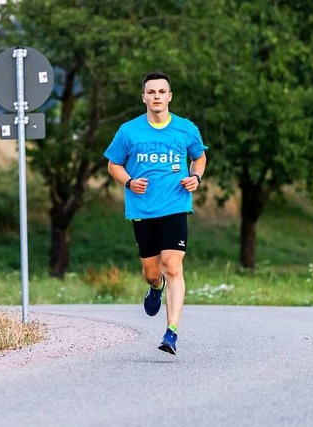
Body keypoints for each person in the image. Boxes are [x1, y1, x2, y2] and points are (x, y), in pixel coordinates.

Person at [104, 71, 207, 355]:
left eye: (162, 92)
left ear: (169, 96)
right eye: (151, 92)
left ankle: (171, 332)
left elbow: (199, 157)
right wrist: (128, 181)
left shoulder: (186, 129)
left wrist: (195, 177)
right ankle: (155, 287)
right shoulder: (129, 131)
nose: (157, 97)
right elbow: (113, 164)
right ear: (144, 98)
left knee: (173, 265)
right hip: (143, 209)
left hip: (176, 205)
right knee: (152, 272)